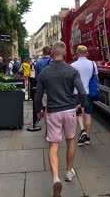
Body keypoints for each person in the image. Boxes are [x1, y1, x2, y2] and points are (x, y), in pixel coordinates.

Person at [34, 41, 87, 197]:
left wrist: (39, 110)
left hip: (53, 112)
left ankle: (56, 178)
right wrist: (81, 106)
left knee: (53, 144)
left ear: (51, 54)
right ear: (65, 54)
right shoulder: (72, 70)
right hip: (70, 110)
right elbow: (82, 93)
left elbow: (38, 96)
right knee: (70, 140)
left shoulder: (44, 72)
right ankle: (69, 171)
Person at [71, 45, 98, 146]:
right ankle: (87, 137)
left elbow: (71, 81)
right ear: (87, 53)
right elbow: (96, 78)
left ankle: (82, 130)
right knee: (88, 114)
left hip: (77, 94)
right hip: (89, 93)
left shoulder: (73, 65)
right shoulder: (92, 64)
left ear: (77, 53)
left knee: (79, 113)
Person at [35, 46, 52, 110]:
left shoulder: (38, 62)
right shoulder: (53, 61)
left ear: (43, 52)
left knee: (45, 108)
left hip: (43, 89)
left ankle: (46, 119)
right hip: (53, 90)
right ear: (51, 52)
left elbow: (36, 77)